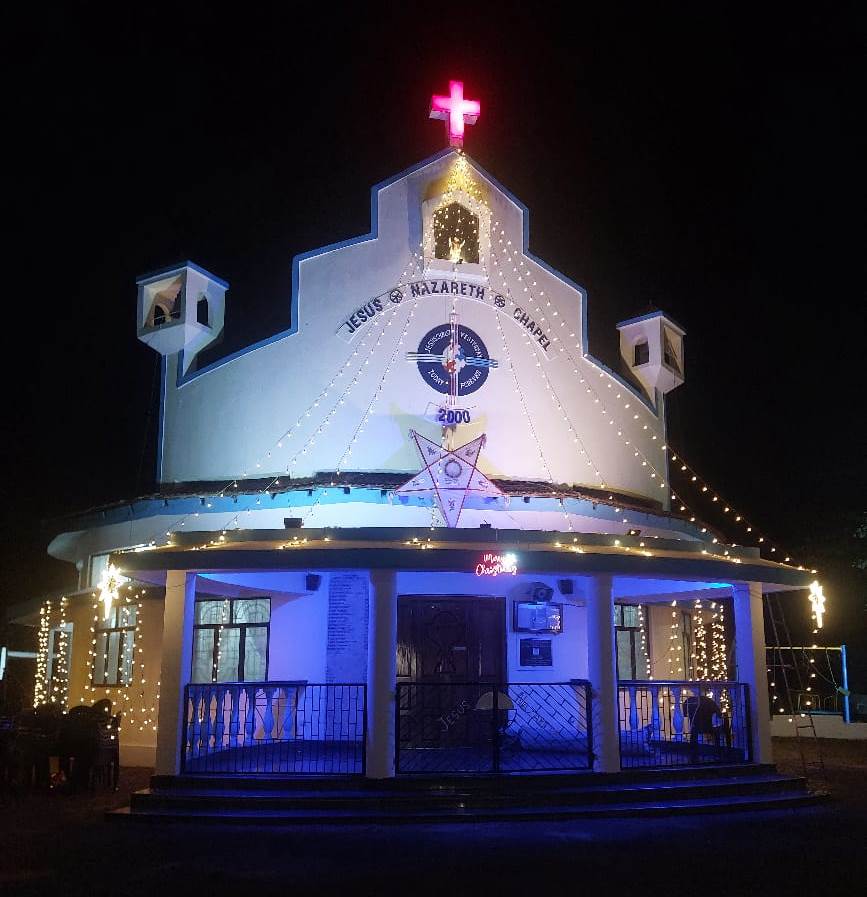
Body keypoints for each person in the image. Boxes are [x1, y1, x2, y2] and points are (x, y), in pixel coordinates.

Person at [683, 693, 723, 762]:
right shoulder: (709, 701)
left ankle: (693, 755)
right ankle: (717, 754)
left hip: (695, 726)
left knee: (693, 735)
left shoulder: (689, 701)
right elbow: (719, 714)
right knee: (716, 733)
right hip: (708, 725)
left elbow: (685, 714)